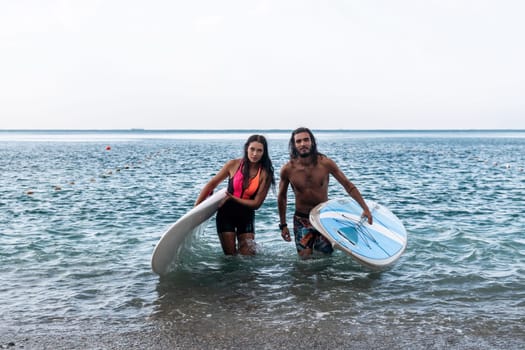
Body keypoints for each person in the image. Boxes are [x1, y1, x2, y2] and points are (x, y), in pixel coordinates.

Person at [277, 127, 373, 258]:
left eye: (306, 140)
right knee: (304, 261)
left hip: (323, 219)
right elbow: (282, 197)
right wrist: (283, 225)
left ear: (312, 142)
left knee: (325, 260)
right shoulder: (288, 169)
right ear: (294, 145)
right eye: (298, 141)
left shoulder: (325, 164)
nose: (303, 144)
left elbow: (347, 185)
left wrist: (365, 208)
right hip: (301, 219)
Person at [195, 134, 275, 256]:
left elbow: (256, 204)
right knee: (231, 258)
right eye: (252, 149)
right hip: (226, 214)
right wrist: (196, 208)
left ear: (264, 153)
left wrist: (233, 198)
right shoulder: (233, 165)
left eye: (259, 150)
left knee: (248, 257)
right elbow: (211, 184)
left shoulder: (265, 173)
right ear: (246, 148)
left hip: (246, 215)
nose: (255, 154)